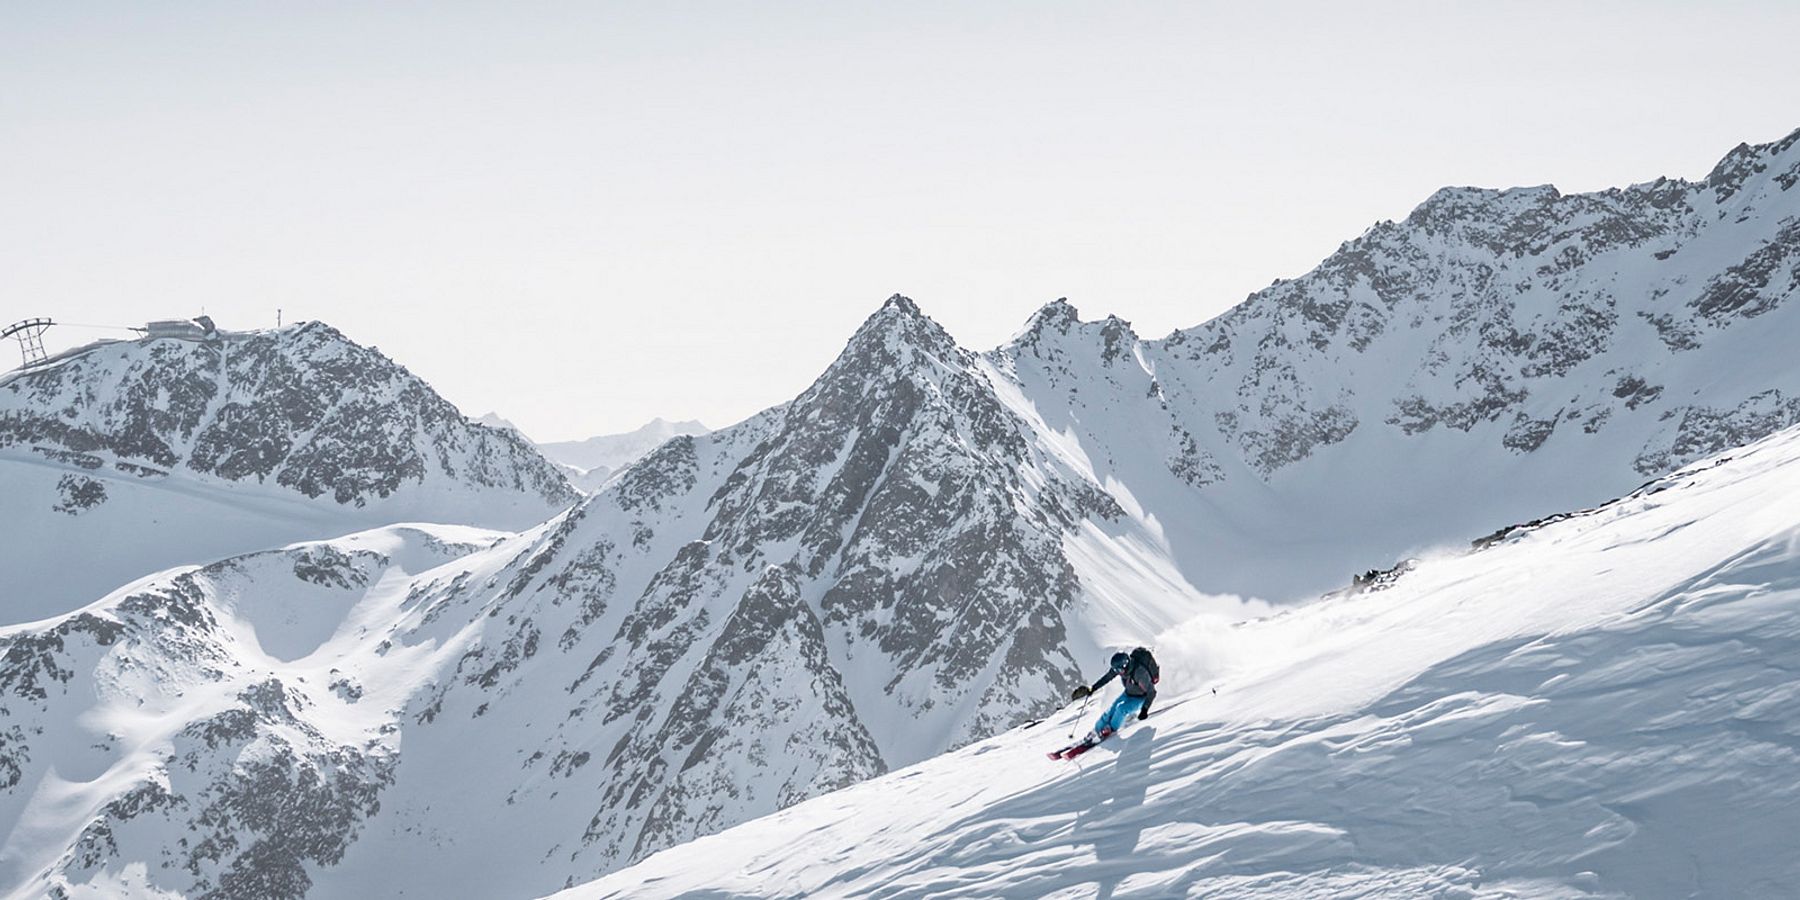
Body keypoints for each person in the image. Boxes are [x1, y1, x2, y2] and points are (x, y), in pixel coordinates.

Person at [1072, 647, 1159, 741]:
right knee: (1111, 709)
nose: (1118, 673)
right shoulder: (1120, 668)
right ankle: (1097, 730)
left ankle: (1111, 729)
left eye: (1119, 671)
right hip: (1128, 693)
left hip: (1141, 698)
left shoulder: (1140, 673)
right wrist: (1093, 688)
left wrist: (1144, 710)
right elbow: (1107, 678)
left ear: (1125, 665)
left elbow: (1152, 692)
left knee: (1121, 709)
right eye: (1116, 671)